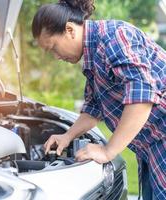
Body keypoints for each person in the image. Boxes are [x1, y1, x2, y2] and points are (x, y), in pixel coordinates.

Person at [31, 0, 166, 199]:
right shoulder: (93, 56)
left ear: (69, 30)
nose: (56, 57)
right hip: (150, 147)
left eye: (53, 47)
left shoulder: (115, 38)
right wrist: (67, 136)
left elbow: (142, 97)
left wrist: (108, 151)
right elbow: (95, 107)